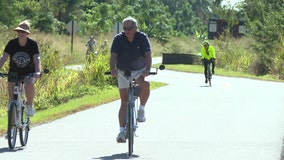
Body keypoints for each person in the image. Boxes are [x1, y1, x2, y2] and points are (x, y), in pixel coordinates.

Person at [109, 16, 152, 143]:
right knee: (124, 101)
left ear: (136, 28)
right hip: (123, 71)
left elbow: (148, 54)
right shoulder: (118, 38)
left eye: (130, 28)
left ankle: (141, 110)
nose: (127, 31)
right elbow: (113, 55)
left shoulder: (142, 37)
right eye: (125, 28)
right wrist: (112, 69)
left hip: (139, 69)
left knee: (145, 85)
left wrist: (147, 69)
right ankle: (122, 131)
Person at [0, 20, 41, 119]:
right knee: (11, 99)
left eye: (23, 32)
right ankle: (12, 127)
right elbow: (4, 57)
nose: (21, 33)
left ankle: (30, 106)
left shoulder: (32, 44)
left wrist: (37, 71)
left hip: (29, 72)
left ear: (27, 33)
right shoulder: (12, 43)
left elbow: (37, 59)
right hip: (14, 72)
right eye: (19, 31)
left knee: (29, 83)